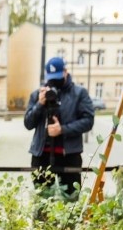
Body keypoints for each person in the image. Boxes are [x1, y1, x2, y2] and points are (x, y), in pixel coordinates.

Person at [24, 57, 94, 197]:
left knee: (70, 199)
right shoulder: (38, 94)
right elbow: (28, 123)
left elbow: (88, 120)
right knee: (42, 201)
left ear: (65, 72)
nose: (54, 81)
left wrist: (62, 129)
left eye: (57, 77)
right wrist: (39, 104)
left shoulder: (79, 93)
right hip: (41, 155)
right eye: (51, 78)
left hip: (69, 155)